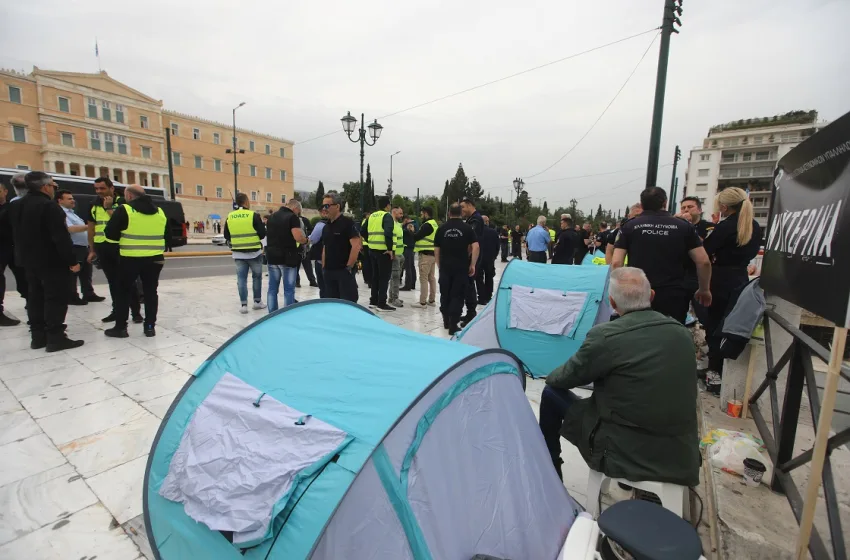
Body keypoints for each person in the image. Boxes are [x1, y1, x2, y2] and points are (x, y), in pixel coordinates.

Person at [538, 267, 699, 486]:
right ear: (651, 296)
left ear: (612, 303)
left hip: (622, 446)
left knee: (550, 394)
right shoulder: (682, 333)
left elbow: (560, 379)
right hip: (679, 452)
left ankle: (550, 473)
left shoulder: (605, 336)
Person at [612, 187, 712, 324]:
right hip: (673, 294)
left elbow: (617, 262)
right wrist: (704, 289)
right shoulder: (684, 226)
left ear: (641, 205)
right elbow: (703, 261)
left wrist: (618, 291)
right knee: (671, 334)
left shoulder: (629, 226)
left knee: (637, 332)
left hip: (638, 292)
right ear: (665, 203)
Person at [12, 172, 84, 351]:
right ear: (45, 187)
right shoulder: (49, 206)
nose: (54, 189)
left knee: (35, 297)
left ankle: (38, 336)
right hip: (51, 261)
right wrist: (72, 260)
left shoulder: (16, 205)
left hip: (28, 260)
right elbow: (61, 237)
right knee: (55, 298)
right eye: (53, 186)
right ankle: (56, 337)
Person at [701, 188, 761, 395]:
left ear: (724, 207)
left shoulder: (725, 227)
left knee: (714, 325)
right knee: (730, 325)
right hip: (740, 280)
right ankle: (722, 371)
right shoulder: (754, 227)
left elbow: (705, 251)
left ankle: (714, 372)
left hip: (719, 280)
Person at [102, 185, 169, 338]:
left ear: (130, 196)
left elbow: (110, 234)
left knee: (123, 292)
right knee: (151, 293)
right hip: (155, 259)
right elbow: (168, 237)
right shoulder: (160, 212)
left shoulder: (125, 209)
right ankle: (150, 327)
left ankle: (120, 327)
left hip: (129, 258)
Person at [87, 177, 143, 324]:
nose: (99, 191)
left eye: (102, 188)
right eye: (97, 189)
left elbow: (124, 222)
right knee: (113, 282)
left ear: (111, 188)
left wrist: (109, 208)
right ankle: (116, 311)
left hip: (120, 247)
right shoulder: (93, 205)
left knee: (129, 281)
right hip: (103, 247)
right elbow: (91, 228)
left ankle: (136, 312)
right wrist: (92, 250)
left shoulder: (123, 203)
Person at [435, 203, 479, 335]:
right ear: (461, 213)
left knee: (445, 293)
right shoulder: (467, 228)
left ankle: (446, 320)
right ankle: (453, 325)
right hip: (461, 267)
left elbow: (436, 249)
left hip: (445, 267)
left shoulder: (442, 228)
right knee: (457, 295)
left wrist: (439, 264)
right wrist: (472, 264)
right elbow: (476, 247)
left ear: (449, 213)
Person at [57, 190, 104, 306]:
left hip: (83, 246)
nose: (73, 200)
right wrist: (89, 227)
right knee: (73, 273)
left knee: (86, 272)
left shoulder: (72, 213)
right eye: (69, 199)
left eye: (72, 198)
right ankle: (72, 296)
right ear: (60, 200)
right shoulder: (61, 213)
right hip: (74, 246)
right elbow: (70, 228)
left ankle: (89, 293)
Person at [676, 196, 716, 325]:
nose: (686, 210)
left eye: (690, 207)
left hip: (700, 276)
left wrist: (688, 226)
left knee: (704, 314)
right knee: (677, 314)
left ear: (699, 210)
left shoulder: (709, 227)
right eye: (683, 208)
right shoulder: (676, 226)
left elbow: (707, 247)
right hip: (679, 274)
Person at [224, 193, 266, 313]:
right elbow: (262, 233)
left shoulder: (230, 216)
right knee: (256, 277)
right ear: (246, 201)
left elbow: (227, 235)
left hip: (238, 254)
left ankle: (243, 305)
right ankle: (257, 302)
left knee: (241, 279)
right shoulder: (253, 215)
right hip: (254, 253)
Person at [265, 200, 307, 311]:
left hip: (272, 257)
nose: (298, 214)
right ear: (295, 208)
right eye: (298, 212)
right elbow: (298, 237)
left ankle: (272, 313)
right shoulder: (292, 217)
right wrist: (306, 241)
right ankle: (287, 315)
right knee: (289, 290)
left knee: (272, 289)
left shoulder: (272, 217)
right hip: (287, 258)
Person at [320, 191, 361, 302]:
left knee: (348, 304)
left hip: (343, 271)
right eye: (323, 206)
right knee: (331, 304)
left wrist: (348, 267)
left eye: (327, 206)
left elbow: (356, 245)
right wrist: (324, 267)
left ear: (337, 206)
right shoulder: (326, 227)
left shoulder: (347, 223)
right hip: (329, 272)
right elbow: (325, 247)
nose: (324, 209)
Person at [0, 177, 28, 325]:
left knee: (23, 278)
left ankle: (31, 302)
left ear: (5, 191)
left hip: (14, 248)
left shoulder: (13, 208)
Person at [367, 197, 396, 312]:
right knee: (384, 278)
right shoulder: (387, 216)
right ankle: (381, 303)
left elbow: (363, 230)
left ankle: (373, 301)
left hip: (372, 250)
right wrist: (390, 249)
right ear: (388, 206)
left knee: (375, 277)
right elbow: (388, 232)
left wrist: (371, 241)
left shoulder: (372, 216)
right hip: (383, 252)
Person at [459, 198, 484, 324]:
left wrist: (467, 258)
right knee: (468, 286)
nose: (461, 210)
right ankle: (469, 312)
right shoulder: (471, 219)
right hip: (470, 257)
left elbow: (472, 242)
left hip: (472, 258)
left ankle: (471, 314)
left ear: (469, 205)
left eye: (463, 207)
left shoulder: (476, 220)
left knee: (469, 286)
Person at [413, 206, 438, 308]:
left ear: (426, 213)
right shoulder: (435, 224)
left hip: (425, 256)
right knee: (431, 278)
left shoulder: (427, 225)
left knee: (423, 278)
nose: (421, 215)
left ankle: (422, 302)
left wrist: (411, 231)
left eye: (422, 213)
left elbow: (416, 237)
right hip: (433, 255)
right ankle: (431, 300)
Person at [477, 216, 500, 305]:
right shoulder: (493, 232)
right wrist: (494, 257)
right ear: (487, 222)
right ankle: (488, 296)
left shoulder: (477, 232)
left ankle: (481, 297)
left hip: (479, 258)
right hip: (490, 259)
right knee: (489, 277)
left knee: (479, 278)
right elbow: (497, 247)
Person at [308, 208, 328, 298]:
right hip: (337, 262)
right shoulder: (341, 223)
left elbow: (313, 239)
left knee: (324, 288)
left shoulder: (320, 225)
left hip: (321, 260)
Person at [388, 206, 406, 308]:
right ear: (394, 212)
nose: (402, 215)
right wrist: (393, 253)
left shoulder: (397, 224)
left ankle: (392, 297)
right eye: (400, 213)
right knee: (395, 278)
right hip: (395, 255)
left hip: (399, 254)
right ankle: (394, 298)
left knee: (395, 277)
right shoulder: (392, 225)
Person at [296, 211, 318, 289]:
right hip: (298, 247)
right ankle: (298, 282)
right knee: (298, 266)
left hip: (304, 246)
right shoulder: (293, 220)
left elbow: (311, 230)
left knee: (307, 265)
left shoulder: (304, 220)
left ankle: (312, 281)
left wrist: (305, 236)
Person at [401, 221, 416, 291]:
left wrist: (405, 227)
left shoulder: (405, 232)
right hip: (411, 249)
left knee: (408, 267)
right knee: (411, 267)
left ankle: (408, 285)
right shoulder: (412, 232)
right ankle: (412, 284)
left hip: (407, 249)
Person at [359, 211, 372, 289]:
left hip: (366, 244)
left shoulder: (365, 221)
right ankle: (368, 279)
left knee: (366, 262)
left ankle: (367, 279)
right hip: (367, 244)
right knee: (368, 263)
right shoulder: (366, 221)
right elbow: (361, 233)